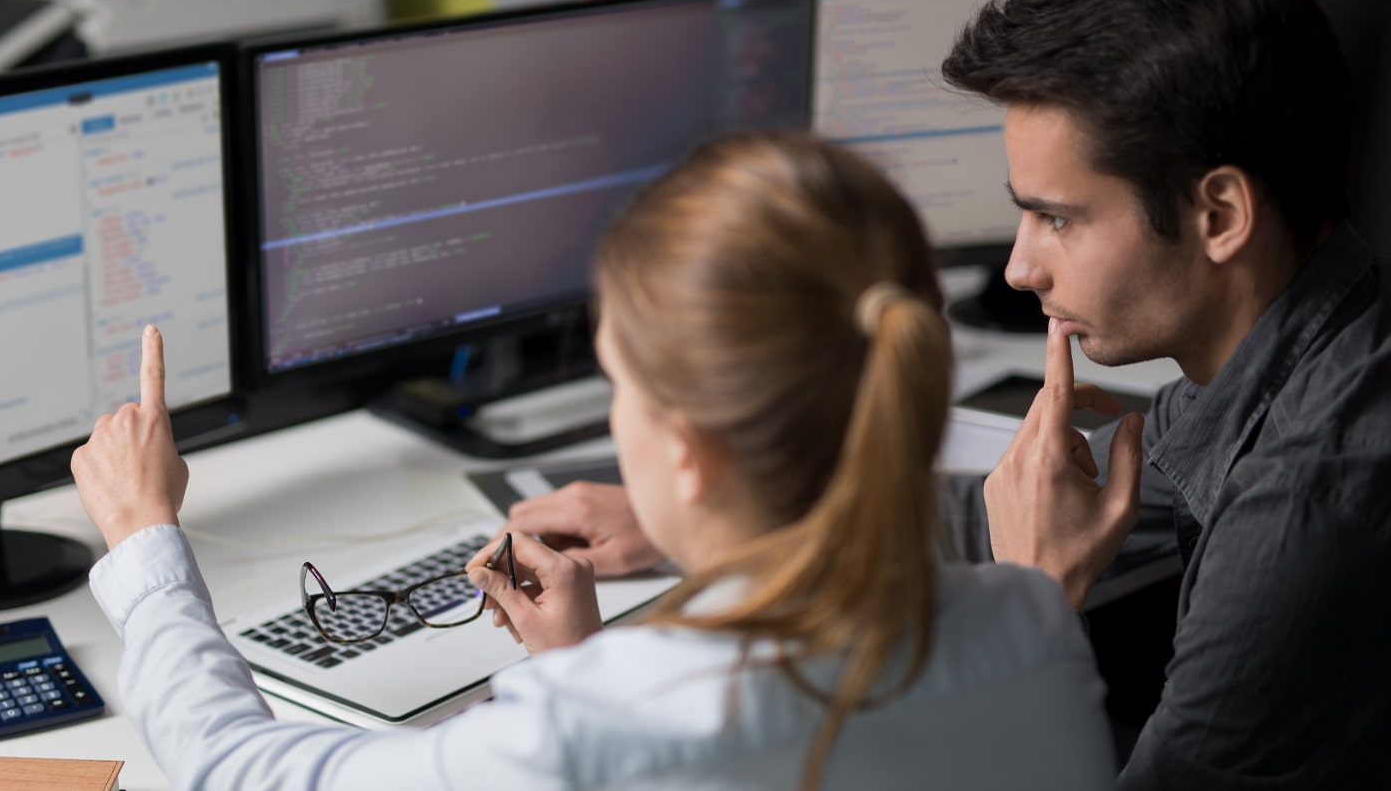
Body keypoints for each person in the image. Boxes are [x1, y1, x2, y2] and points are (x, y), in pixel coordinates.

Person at [508, 0, 1391, 788]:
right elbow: (1013, 508)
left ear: (1220, 217)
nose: (1019, 266)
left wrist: (1031, 598)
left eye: (1058, 218)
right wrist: (718, 512)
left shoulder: (1308, 504)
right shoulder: (1293, 351)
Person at [71, 132, 1115, 790]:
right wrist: (578, 669)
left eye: (620, 384)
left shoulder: (606, 723)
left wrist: (143, 537)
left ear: (689, 452)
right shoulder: (1033, 621)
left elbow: (237, 768)